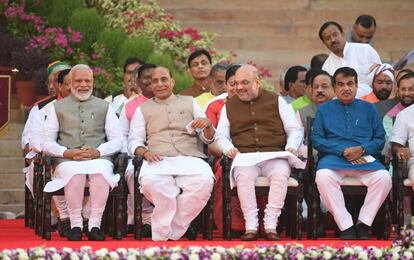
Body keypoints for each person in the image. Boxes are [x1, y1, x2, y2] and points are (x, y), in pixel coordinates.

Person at [216, 64, 304, 241]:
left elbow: (294, 129)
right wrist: (228, 148)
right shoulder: (229, 106)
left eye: (245, 83)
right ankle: (251, 226)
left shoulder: (276, 100)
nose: (239, 87)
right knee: (243, 175)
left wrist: (291, 146)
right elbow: (221, 136)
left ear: (257, 82)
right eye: (236, 83)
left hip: (274, 154)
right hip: (246, 157)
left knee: (281, 172)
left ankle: (271, 224)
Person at [128, 66, 215, 241]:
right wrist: (144, 152)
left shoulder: (190, 102)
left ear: (172, 81)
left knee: (205, 181)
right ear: (151, 85)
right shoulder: (142, 109)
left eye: (164, 79)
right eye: (155, 81)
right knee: (151, 183)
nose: (160, 84)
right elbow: (134, 141)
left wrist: (207, 125)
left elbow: (208, 139)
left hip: (189, 158)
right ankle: (175, 230)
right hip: (158, 158)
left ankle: (166, 231)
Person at [42, 64, 123, 241]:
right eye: (79, 80)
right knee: (75, 173)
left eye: (88, 80)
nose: (84, 84)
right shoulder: (57, 107)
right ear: (70, 83)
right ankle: (76, 224)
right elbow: (46, 142)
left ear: (93, 82)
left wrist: (98, 151)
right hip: (68, 160)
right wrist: (66, 153)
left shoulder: (104, 106)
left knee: (100, 173)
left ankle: (95, 224)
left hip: (98, 157)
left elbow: (118, 140)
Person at [311, 67, 392, 240]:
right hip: (334, 159)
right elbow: (316, 138)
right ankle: (346, 225)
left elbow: (379, 139)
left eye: (350, 84)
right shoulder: (324, 109)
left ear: (356, 86)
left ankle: (363, 223)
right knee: (323, 176)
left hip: (364, 159)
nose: (345, 88)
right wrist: (339, 150)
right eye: (340, 84)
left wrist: (362, 149)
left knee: (384, 178)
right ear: (334, 88)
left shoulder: (369, 109)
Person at [118, 63, 156, 235]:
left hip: (166, 154)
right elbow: (122, 137)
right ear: (138, 81)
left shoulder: (171, 102)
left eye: (154, 77)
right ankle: (146, 218)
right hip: (137, 156)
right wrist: (138, 153)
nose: (151, 81)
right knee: (133, 172)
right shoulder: (130, 106)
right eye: (146, 77)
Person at [319, 21, 381, 97]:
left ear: (342, 33)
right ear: (324, 43)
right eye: (327, 38)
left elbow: (382, 78)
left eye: (335, 35)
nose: (333, 40)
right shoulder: (326, 68)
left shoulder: (366, 50)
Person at [390, 75, 414, 190]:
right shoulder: (405, 115)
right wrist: (400, 149)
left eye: (411, 89)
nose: (408, 92)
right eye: (404, 89)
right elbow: (396, 146)